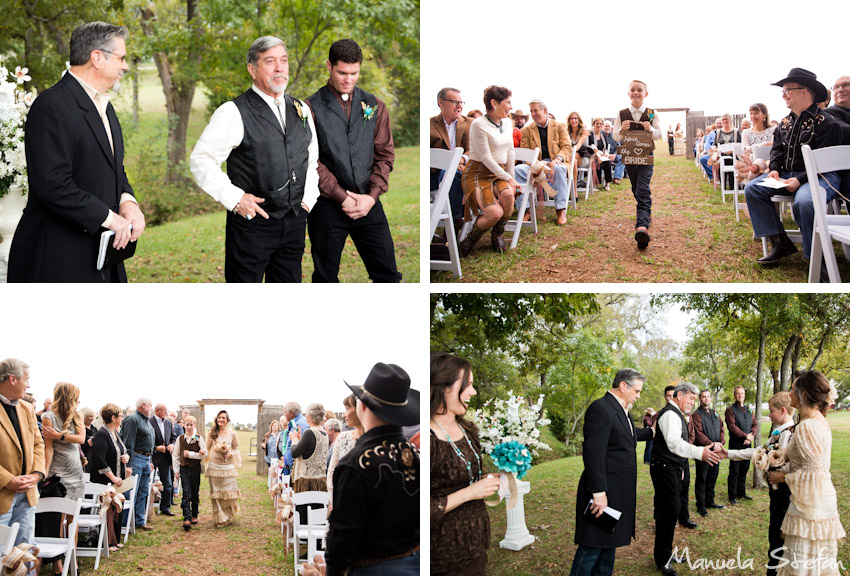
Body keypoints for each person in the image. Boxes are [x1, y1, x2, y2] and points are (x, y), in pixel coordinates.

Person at [8, 21, 145, 282]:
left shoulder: (104, 105)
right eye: (121, 58)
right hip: (58, 258)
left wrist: (129, 203)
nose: (125, 66)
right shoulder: (52, 105)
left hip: (103, 256)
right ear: (97, 58)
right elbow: (53, 184)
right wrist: (111, 220)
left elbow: (114, 168)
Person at [190, 35, 319, 282]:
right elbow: (201, 159)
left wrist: (306, 203)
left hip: (293, 223)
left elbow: (311, 160)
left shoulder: (300, 109)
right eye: (270, 61)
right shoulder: (233, 112)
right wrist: (235, 199)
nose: (280, 67)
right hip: (252, 226)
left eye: (284, 60)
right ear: (252, 69)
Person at [307, 38, 401, 283]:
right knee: (325, 278)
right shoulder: (310, 108)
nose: (348, 80)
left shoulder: (374, 105)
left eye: (354, 73)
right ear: (329, 66)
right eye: (342, 73)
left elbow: (384, 154)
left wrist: (372, 197)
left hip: (369, 203)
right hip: (327, 207)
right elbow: (310, 161)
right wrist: (343, 197)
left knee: (388, 275)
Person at [325, 362, 419, 576]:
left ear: (363, 406)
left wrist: (332, 570)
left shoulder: (354, 463)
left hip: (374, 567)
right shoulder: (415, 453)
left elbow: (343, 535)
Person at [743, 68, 842, 268]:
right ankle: (780, 242)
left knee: (804, 202)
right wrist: (775, 169)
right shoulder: (784, 123)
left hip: (821, 176)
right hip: (787, 175)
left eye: (788, 89)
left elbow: (824, 163)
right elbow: (777, 151)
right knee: (752, 189)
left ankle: (815, 258)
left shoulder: (827, 124)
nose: (783, 94)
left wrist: (799, 180)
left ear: (805, 91)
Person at [572, 369, 654, 576]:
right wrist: (598, 493)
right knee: (592, 546)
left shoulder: (621, 408)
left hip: (617, 491)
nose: (638, 395)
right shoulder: (600, 408)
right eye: (637, 391)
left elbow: (628, 435)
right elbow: (593, 453)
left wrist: (653, 432)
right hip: (603, 491)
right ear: (623, 386)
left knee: (609, 543)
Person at [765, 372, 845, 575]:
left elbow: (814, 473)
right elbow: (798, 457)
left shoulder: (807, 426)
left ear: (802, 394)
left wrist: (782, 477)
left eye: (793, 389)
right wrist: (769, 456)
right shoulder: (816, 420)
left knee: (803, 564)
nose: (790, 393)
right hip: (817, 497)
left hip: (811, 502)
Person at [430, 353, 500, 576]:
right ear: (444, 387)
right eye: (467, 385)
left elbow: (467, 474)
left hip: (475, 543)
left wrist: (491, 480)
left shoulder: (468, 430)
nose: (474, 392)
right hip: (442, 553)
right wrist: (471, 492)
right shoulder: (426, 439)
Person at [651, 382, 724, 576]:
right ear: (680, 394)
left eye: (695, 399)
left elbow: (677, 446)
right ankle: (662, 558)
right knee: (669, 511)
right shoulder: (669, 414)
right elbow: (674, 444)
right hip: (664, 469)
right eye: (691, 398)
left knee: (672, 511)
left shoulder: (676, 414)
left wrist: (681, 466)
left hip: (673, 468)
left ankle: (666, 552)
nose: (693, 402)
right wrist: (700, 452)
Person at [726, 392, 795, 576]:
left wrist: (780, 475)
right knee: (774, 538)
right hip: (776, 494)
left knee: (779, 540)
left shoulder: (790, 434)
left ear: (782, 410)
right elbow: (760, 451)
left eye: (771, 411)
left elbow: (793, 466)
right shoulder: (779, 432)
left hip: (784, 494)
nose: (769, 414)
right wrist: (729, 453)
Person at [458, 85, 519, 256]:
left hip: (499, 172)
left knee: (508, 195)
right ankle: (470, 239)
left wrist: (510, 178)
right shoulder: (478, 124)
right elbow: (486, 158)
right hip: (478, 173)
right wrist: (509, 178)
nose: (511, 107)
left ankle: (497, 234)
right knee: (495, 213)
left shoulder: (507, 122)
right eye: (508, 102)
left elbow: (510, 151)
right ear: (494, 103)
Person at [41, 382, 86, 575]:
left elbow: (81, 439)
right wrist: (44, 472)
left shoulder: (78, 415)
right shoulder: (47, 417)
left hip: (76, 471)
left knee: (73, 518)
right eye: (76, 396)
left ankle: (72, 559)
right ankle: (57, 563)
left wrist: (59, 435)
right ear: (68, 396)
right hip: (58, 473)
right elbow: (48, 448)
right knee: (57, 519)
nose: (78, 399)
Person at [0, 359, 45, 548]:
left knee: (24, 551)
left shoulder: (26, 408)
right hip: (2, 492)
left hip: (27, 492)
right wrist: (7, 479)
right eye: (26, 380)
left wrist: (36, 474)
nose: (29, 385)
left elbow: (38, 444)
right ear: (12, 379)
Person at [614, 80, 661, 250]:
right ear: (628, 93)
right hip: (629, 157)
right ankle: (646, 212)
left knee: (642, 188)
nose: (636, 93)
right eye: (632, 90)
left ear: (645, 94)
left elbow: (659, 134)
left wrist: (651, 130)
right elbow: (615, 137)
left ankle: (642, 226)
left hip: (646, 157)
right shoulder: (621, 114)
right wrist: (621, 130)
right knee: (635, 188)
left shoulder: (651, 113)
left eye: (639, 90)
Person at [515, 100, 573, 225]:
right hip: (535, 163)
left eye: (535, 110)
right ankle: (526, 209)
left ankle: (561, 209)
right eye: (531, 111)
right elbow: (525, 151)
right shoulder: (526, 130)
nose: (533, 114)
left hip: (555, 160)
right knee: (518, 170)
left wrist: (558, 159)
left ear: (545, 111)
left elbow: (567, 147)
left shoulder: (559, 126)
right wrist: (537, 164)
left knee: (558, 168)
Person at [430, 87, 472, 237]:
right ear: (441, 103)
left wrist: (460, 160)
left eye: (461, 102)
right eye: (455, 102)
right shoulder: (429, 124)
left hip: (462, 171)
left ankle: (454, 221)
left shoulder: (471, 124)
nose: (459, 106)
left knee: (452, 173)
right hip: (434, 174)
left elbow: (474, 149)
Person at [90, 403, 129, 551]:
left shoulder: (115, 432)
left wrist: (126, 457)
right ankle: (108, 541)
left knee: (118, 507)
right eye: (120, 415)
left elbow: (120, 451)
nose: (122, 418)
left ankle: (115, 540)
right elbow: (100, 458)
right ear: (113, 418)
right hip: (107, 480)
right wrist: (112, 478)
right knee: (109, 509)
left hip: (120, 478)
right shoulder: (102, 433)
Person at [687, 389, 725, 517]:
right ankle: (701, 505)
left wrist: (720, 442)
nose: (706, 399)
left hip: (716, 451)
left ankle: (710, 501)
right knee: (702, 478)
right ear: (700, 399)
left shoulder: (715, 413)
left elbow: (721, 429)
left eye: (708, 397)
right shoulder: (696, 415)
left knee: (713, 476)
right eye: (703, 397)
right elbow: (698, 433)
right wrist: (712, 444)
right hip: (704, 451)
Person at [120, 397, 155, 531]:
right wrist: (129, 464)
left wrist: (150, 460)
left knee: (143, 491)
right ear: (143, 405)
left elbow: (149, 441)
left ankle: (139, 521)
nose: (151, 408)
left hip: (146, 459)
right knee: (130, 492)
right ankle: (125, 523)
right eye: (150, 405)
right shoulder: (132, 419)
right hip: (135, 458)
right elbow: (129, 442)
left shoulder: (146, 421)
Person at [326, 394, 363, 511]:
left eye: (347, 409)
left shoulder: (376, 441)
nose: (344, 415)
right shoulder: (343, 438)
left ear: (361, 409)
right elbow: (332, 472)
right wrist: (335, 501)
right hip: (341, 504)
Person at [206, 410, 241, 527]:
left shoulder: (232, 434)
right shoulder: (212, 433)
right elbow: (206, 448)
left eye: (223, 418)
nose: (221, 420)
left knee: (229, 492)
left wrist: (230, 453)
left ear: (227, 421)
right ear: (217, 419)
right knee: (216, 493)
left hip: (228, 466)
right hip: (214, 466)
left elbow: (236, 449)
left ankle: (228, 514)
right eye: (219, 417)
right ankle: (220, 518)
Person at [172, 415, 206, 531]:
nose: (189, 427)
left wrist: (192, 454)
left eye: (191, 425)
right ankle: (186, 517)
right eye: (187, 425)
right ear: (184, 426)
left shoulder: (198, 438)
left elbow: (204, 454)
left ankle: (194, 514)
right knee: (186, 493)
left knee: (195, 492)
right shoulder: (180, 439)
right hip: (184, 469)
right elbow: (176, 455)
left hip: (195, 469)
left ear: (194, 426)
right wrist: (176, 470)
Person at [725, 385, 758, 503]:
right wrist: (745, 435)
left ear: (744, 395)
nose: (740, 395)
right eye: (738, 393)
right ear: (734, 395)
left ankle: (741, 492)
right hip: (736, 444)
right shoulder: (730, 410)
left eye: (742, 393)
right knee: (735, 470)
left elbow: (755, 424)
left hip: (747, 443)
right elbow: (732, 427)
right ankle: (732, 495)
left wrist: (751, 437)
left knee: (744, 468)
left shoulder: (749, 410)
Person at [290, 403, 330, 494]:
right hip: (320, 479)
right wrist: (300, 439)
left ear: (310, 417)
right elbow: (309, 449)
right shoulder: (324, 433)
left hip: (307, 482)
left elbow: (295, 453)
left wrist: (294, 440)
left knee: (305, 507)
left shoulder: (309, 432)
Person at [150, 403, 176, 516]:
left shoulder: (168, 423)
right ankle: (148, 509)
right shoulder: (149, 422)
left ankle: (165, 507)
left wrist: (172, 445)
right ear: (157, 411)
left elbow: (174, 437)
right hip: (152, 457)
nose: (166, 413)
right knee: (148, 483)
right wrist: (156, 448)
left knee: (168, 483)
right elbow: (145, 441)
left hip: (165, 457)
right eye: (164, 411)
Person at [282, 401, 308, 475]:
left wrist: (292, 466)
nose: (284, 414)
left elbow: (299, 446)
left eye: (285, 412)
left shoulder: (299, 425)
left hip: (296, 469)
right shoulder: (295, 422)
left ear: (291, 413)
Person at [566, 112, 592, 188]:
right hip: (570, 156)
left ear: (579, 120)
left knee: (574, 157)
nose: (573, 120)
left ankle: (572, 184)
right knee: (571, 160)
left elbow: (579, 144)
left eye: (575, 118)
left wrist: (571, 153)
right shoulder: (567, 131)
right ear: (569, 120)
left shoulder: (584, 131)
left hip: (583, 156)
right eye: (571, 118)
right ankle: (572, 184)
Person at [587, 118, 613, 191]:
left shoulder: (603, 135)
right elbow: (589, 146)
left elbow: (606, 147)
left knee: (608, 162)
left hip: (602, 155)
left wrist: (606, 153)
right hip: (593, 155)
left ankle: (607, 184)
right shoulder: (590, 134)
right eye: (597, 123)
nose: (599, 125)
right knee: (596, 162)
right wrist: (597, 153)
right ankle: (594, 184)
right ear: (593, 124)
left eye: (600, 124)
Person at [80, 406, 97, 471]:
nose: (92, 418)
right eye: (90, 416)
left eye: (93, 416)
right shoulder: (79, 429)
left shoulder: (94, 429)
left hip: (93, 459)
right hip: (84, 458)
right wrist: (87, 444)